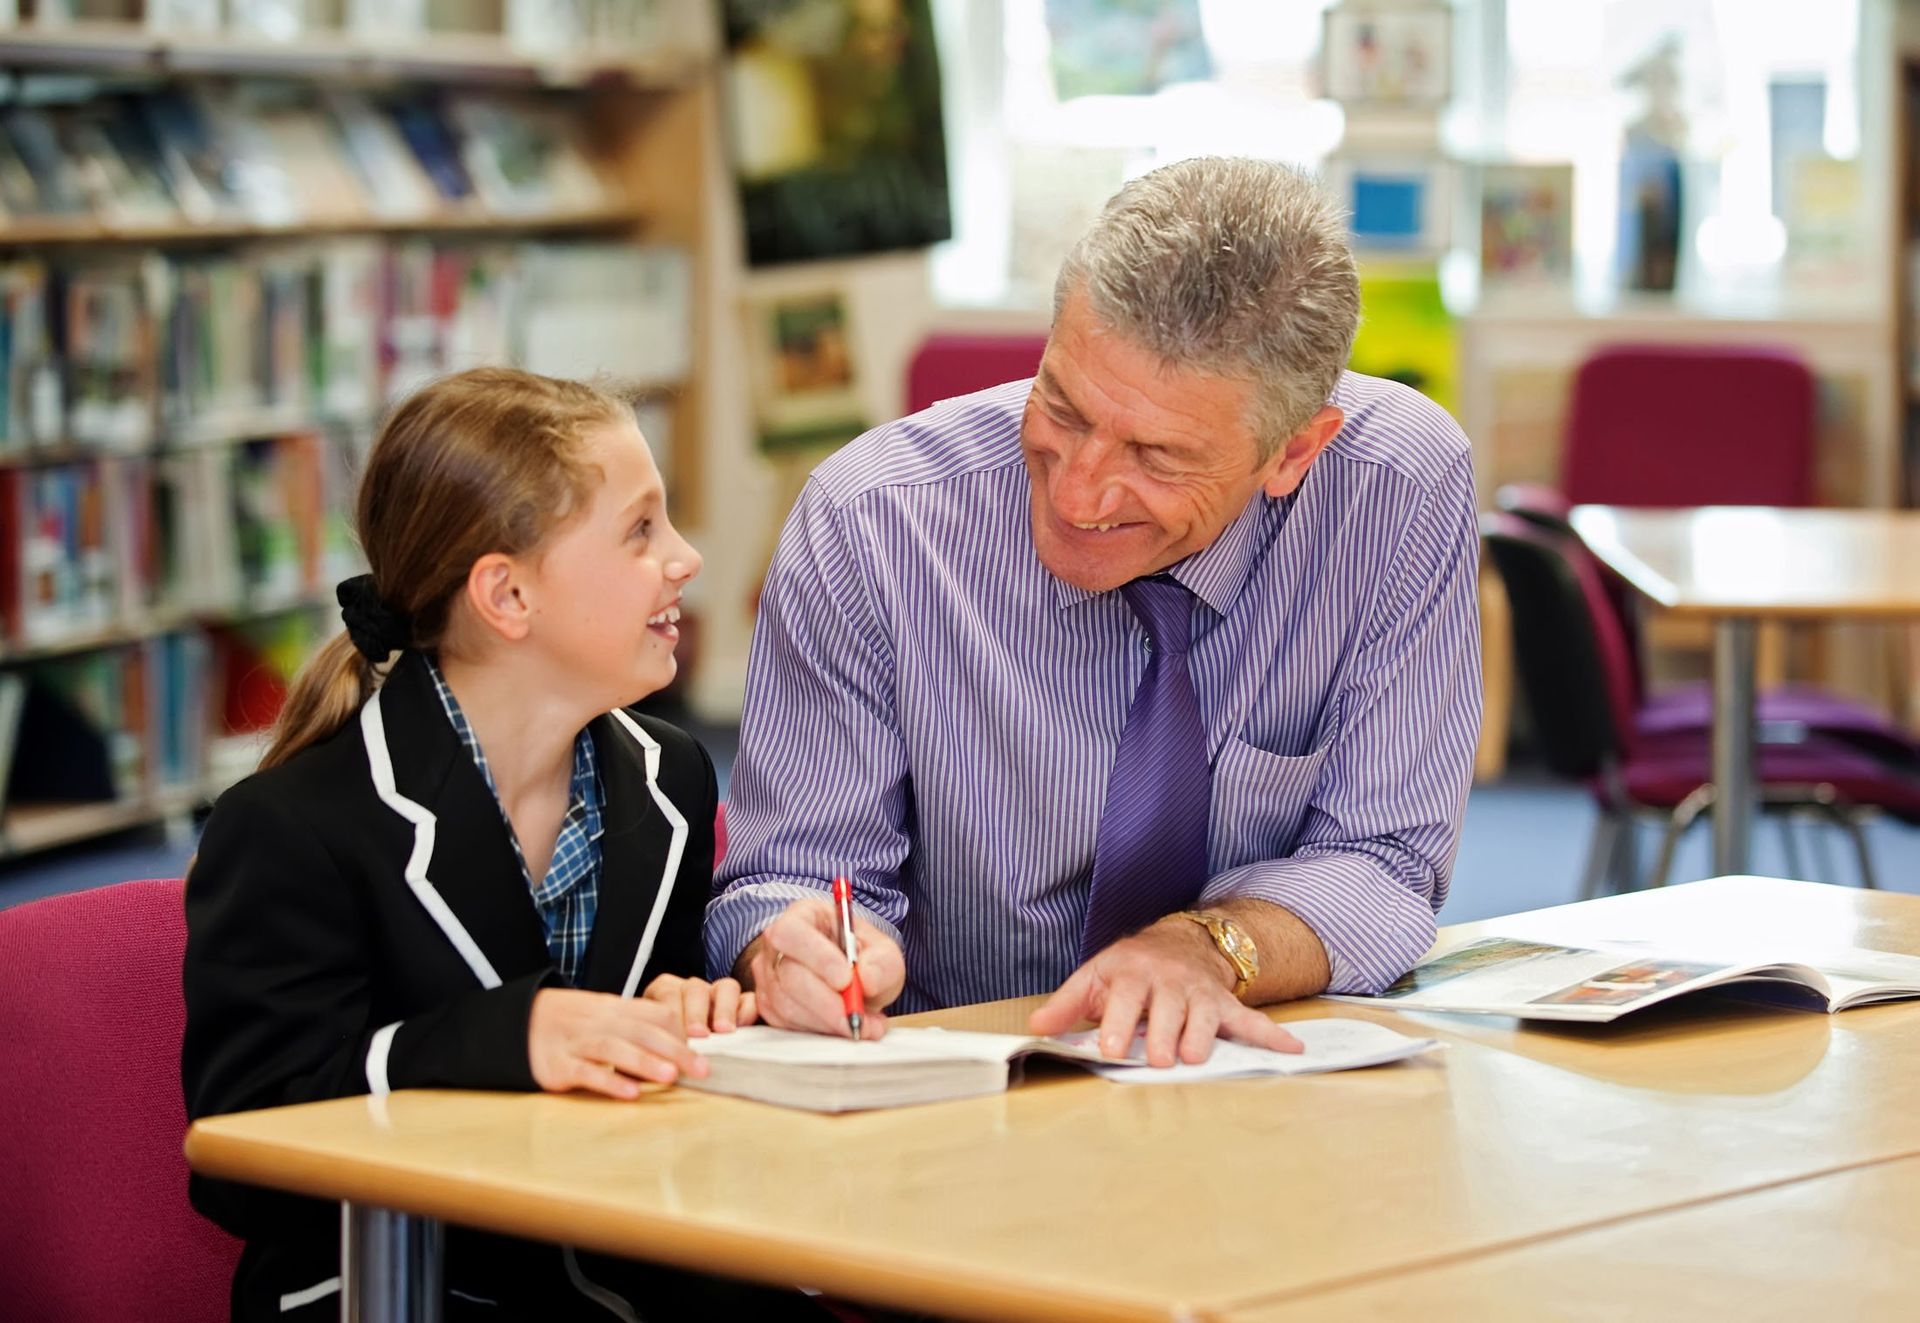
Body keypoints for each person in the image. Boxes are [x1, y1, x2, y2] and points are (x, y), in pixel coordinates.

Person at [708, 157, 1481, 1068]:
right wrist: (790, 947)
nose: (1079, 494)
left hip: (1253, 1074)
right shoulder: (873, 521)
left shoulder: (1400, 489)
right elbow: (791, 874)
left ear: (1295, 450)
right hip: (947, 1080)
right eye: (1064, 410)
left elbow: (1386, 858)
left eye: (1156, 455)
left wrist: (1206, 949)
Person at [182, 369, 826, 1321]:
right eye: (642, 529)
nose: (686, 558)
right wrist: (505, 1040)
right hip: (404, 1290)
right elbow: (245, 1153)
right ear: (507, 593)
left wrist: (690, 1010)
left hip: (622, 1268)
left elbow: (650, 1041)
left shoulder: (672, 781)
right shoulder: (291, 827)